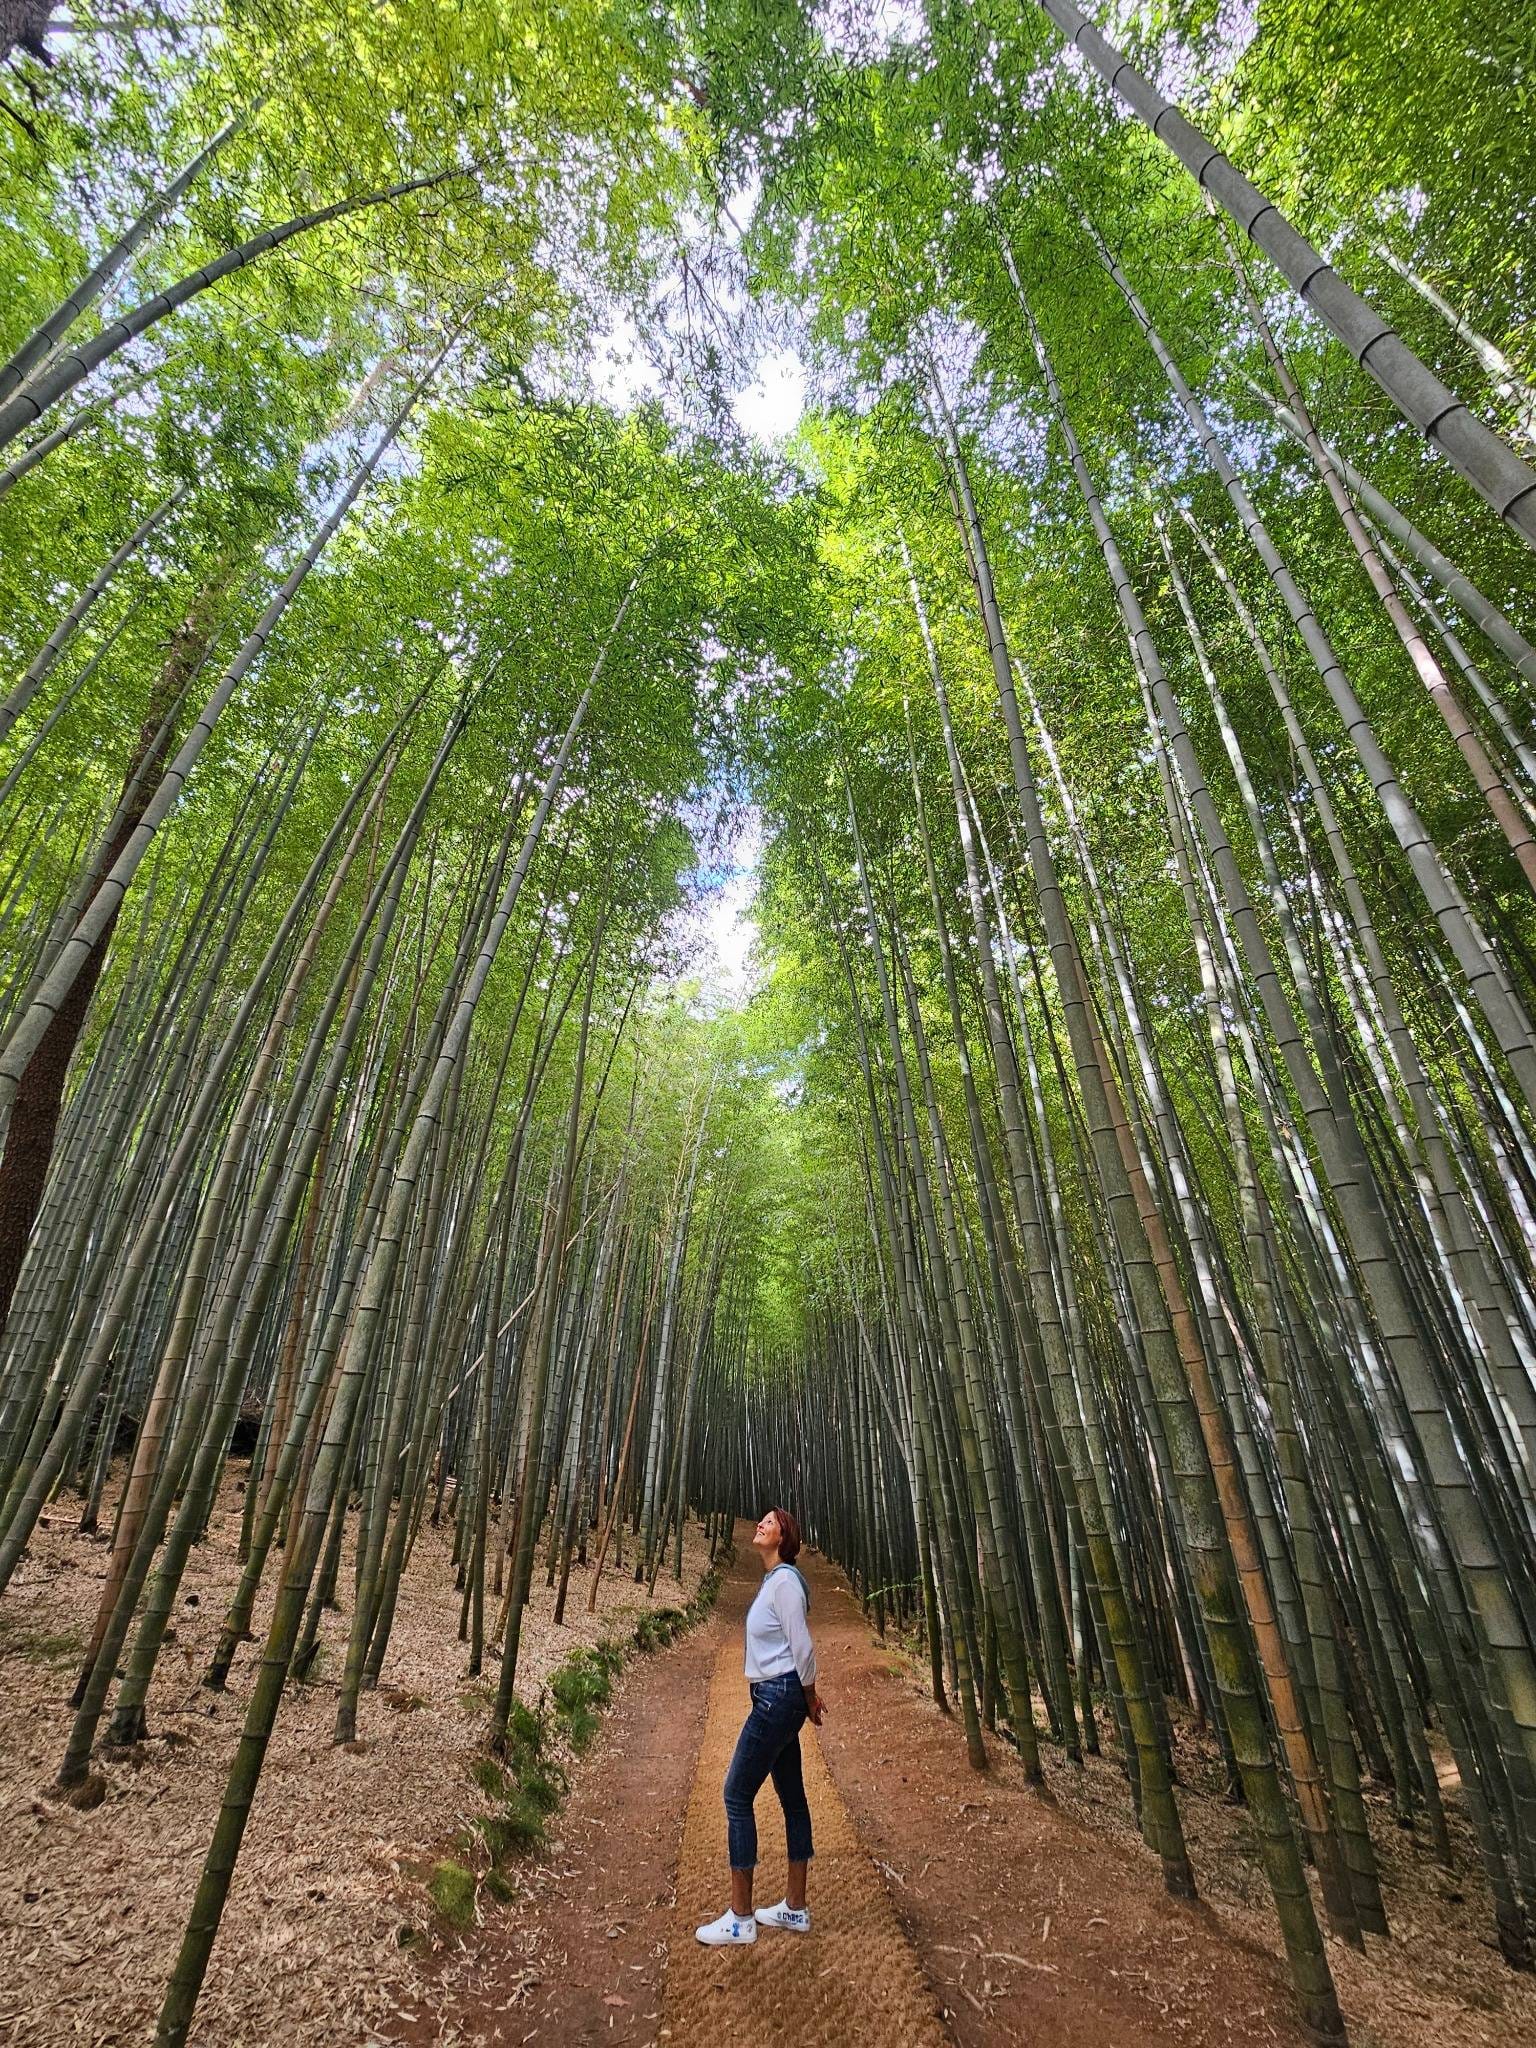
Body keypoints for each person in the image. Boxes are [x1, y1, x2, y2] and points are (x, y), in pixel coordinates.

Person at [695, 1506, 824, 1946]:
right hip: (779, 1697)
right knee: (792, 1797)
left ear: (784, 1537)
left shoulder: (785, 1581)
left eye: (770, 1522)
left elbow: (803, 1648)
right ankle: (795, 1907)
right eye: (762, 1520)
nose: (761, 1525)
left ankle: (741, 1918)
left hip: (777, 1699)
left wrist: (808, 1698)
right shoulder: (775, 1581)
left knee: (736, 1794)